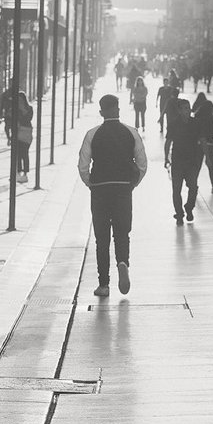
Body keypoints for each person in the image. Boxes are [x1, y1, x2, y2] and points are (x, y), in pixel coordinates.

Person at [78, 95, 148, 298]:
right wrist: (132, 184)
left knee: (102, 238)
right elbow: (142, 163)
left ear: (101, 112)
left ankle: (103, 284)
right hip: (122, 189)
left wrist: (90, 183)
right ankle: (123, 262)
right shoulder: (131, 132)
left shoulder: (92, 134)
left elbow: (83, 165)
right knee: (122, 232)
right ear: (118, 109)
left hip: (100, 189)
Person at [164, 98, 203, 225]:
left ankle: (189, 207)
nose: (188, 110)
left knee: (193, 187)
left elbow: (202, 139)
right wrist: (166, 158)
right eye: (185, 108)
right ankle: (179, 214)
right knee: (176, 190)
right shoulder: (173, 124)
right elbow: (168, 141)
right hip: (178, 161)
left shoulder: (196, 123)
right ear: (179, 110)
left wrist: (205, 156)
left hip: (192, 161)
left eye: (189, 108)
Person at [192, 92, 213, 193]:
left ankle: (194, 185)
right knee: (210, 165)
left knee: (197, 165)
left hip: (199, 144)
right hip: (210, 144)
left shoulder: (197, 118)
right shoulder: (212, 118)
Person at [7, 90, 33, 183]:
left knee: (24, 154)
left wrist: (22, 109)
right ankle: (17, 173)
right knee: (17, 154)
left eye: (20, 100)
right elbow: (9, 120)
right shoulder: (14, 109)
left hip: (26, 134)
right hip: (16, 134)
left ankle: (25, 174)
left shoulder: (29, 108)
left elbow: (28, 119)